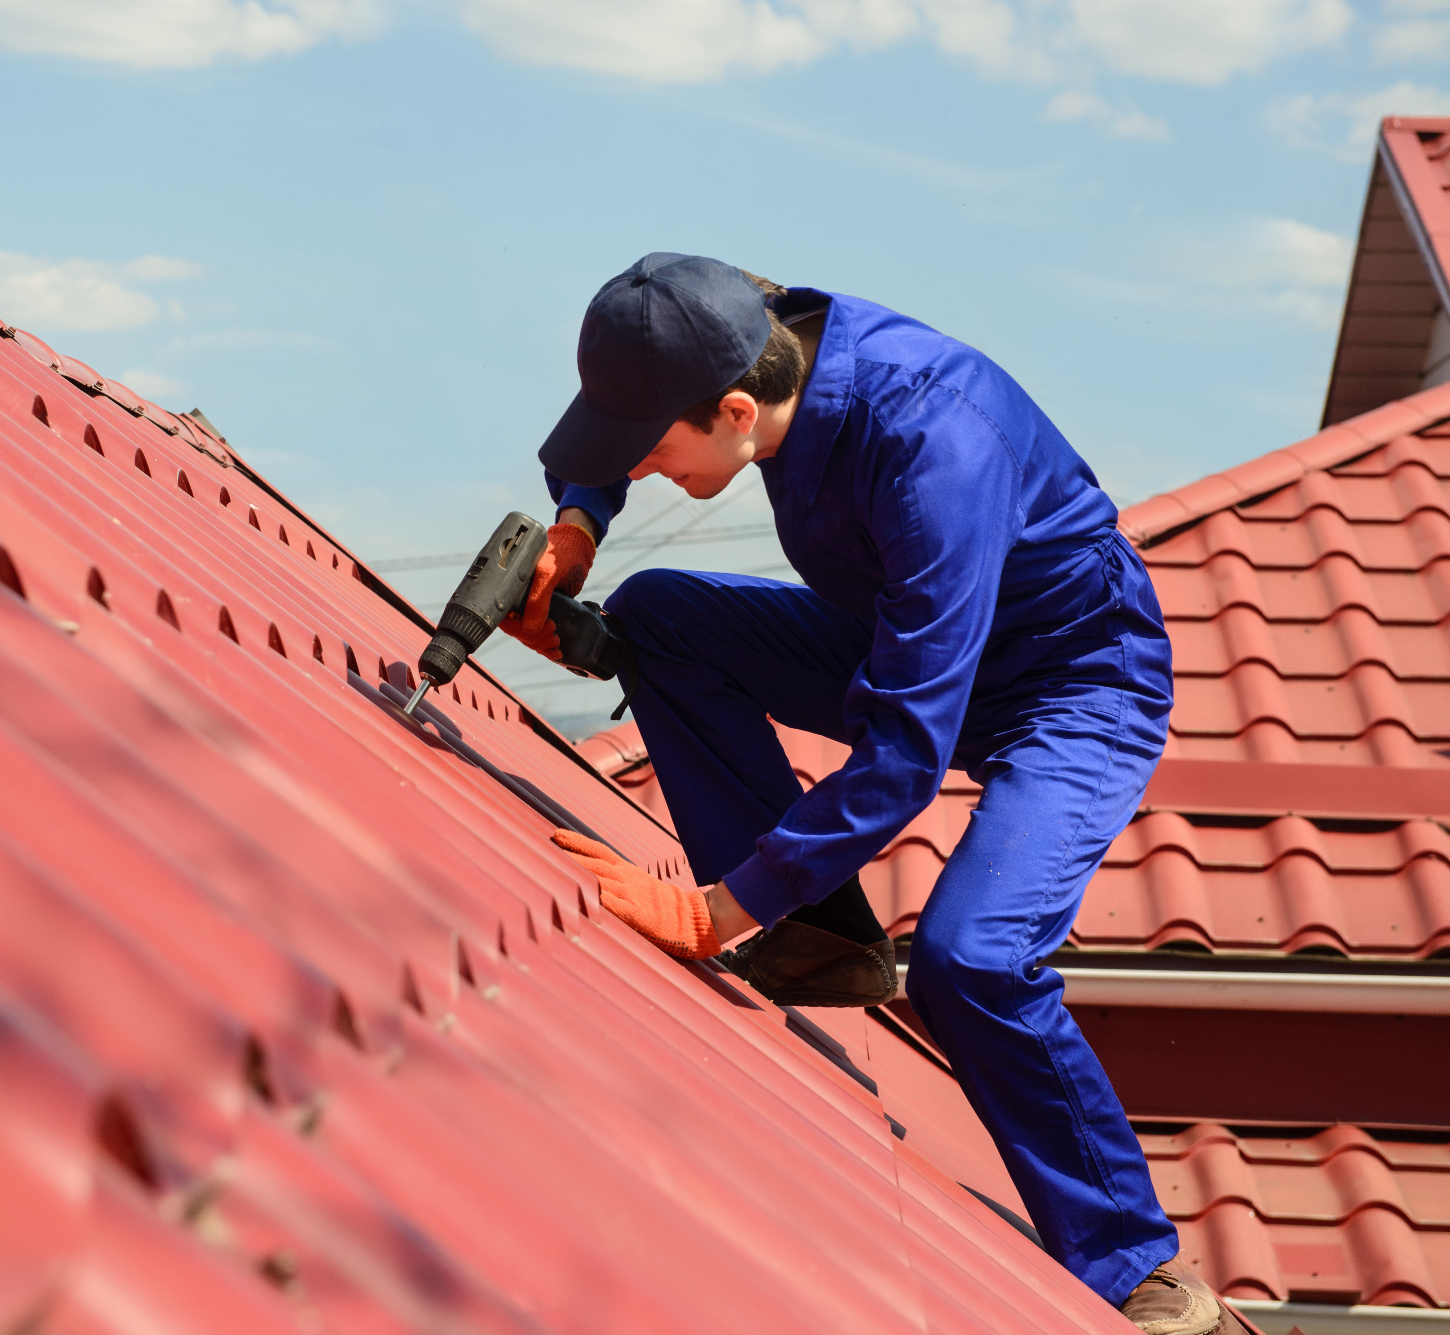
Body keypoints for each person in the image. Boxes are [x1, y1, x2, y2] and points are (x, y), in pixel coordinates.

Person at [515, 253, 1225, 1335]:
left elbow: (903, 749)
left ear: (738, 412)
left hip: (1068, 684)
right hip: (898, 635)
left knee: (971, 958)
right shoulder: (730, 325)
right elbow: (629, 415)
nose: (646, 472)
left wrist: (716, 912)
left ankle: (1135, 1268)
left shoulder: (932, 445)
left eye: (654, 453)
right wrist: (577, 524)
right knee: (656, 614)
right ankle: (816, 939)